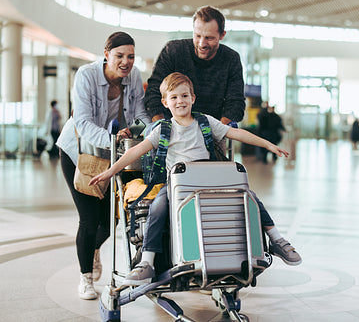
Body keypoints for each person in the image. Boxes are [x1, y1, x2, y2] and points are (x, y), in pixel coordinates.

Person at [90, 72, 302, 286]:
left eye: (184, 96)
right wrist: (110, 171)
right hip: (177, 184)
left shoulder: (205, 122)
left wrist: (267, 144)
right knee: (158, 207)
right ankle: (147, 261)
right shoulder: (163, 129)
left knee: (250, 197)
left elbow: (236, 134)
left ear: (193, 97)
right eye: (174, 98)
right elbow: (134, 153)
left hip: (209, 180)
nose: (180, 101)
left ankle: (276, 239)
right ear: (165, 102)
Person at [56, 32, 151, 300]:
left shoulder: (133, 77)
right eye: (119, 56)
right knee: (88, 219)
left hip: (112, 157)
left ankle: (92, 249)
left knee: (110, 221)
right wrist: (114, 139)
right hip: (79, 153)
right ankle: (85, 278)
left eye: (130, 56)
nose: (126, 62)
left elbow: (140, 115)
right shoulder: (86, 76)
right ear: (106, 54)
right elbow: (83, 122)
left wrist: (147, 132)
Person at [144, 5, 245, 125]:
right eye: (197, 36)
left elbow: (235, 104)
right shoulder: (173, 51)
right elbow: (153, 92)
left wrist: (217, 132)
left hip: (213, 129)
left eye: (209, 38)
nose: (202, 44)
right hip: (171, 129)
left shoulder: (231, 59)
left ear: (222, 35)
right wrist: (163, 128)